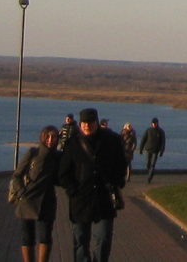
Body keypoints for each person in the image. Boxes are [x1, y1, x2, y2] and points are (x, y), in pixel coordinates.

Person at [58, 107, 128, 262]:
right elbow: (63, 173)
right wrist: (72, 190)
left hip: (104, 198)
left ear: (96, 122)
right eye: (84, 123)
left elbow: (120, 165)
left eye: (90, 123)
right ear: (80, 124)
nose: (87, 126)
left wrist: (116, 182)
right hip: (80, 200)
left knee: (103, 239)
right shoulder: (73, 143)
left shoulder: (112, 140)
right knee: (81, 241)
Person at [11, 125, 61, 262]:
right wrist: (22, 193)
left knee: (45, 237)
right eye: (48, 136)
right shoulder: (33, 153)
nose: (50, 140)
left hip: (47, 200)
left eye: (54, 137)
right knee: (27, 237)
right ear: (43, 137)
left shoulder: (58, 156)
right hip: (28, 200)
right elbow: (17, 175)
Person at [140, 117, 166, 182]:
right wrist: (141, 149)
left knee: (153, 164)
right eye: (153, 123)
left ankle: (150, 177)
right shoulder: (148, 130)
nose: (154, 124)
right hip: (148, 149)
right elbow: (143, 139)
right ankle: (150, 172)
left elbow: (163, 142)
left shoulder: (161, 131)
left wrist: (162, 151)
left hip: (156, 150)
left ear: (157, 123)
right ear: (151, 124)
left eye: (155, 123)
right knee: (148, 164)